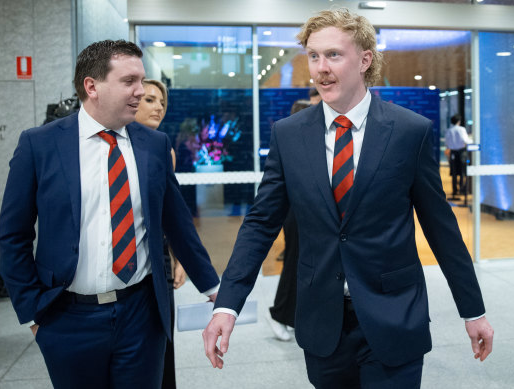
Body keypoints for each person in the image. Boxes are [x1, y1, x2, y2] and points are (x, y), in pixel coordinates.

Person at [203, 9, 493, 388]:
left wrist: (473, 310)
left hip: (395, 315)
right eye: (313, 55)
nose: (321, 68)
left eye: (334, 55)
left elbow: (440, 228)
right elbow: (261, 223)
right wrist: (228, 304)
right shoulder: (289, 135)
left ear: (365, 60)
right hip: (323, 321)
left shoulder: (409, 131)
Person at [0, 40, 219, 389]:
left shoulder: (154, 145)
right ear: (92, 86)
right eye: (129, 80)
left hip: (141, 316)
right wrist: (33, 314)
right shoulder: (39, 145)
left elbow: (177, 223)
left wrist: (214, 289)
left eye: (142, 80)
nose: (141, 90)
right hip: (66, 317)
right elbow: (13, 235)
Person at [135, 78, 185, 389]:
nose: (159, 107)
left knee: (164, 340)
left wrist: (178, 259)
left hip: (159, 257)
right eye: (150, 100)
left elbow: (172, 214)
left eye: (162, 102)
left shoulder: (164, 149)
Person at [266, 99, 311, 342]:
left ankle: (291, 315)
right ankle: (279, 314)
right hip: (297, 212)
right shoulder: (294, 143)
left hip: (303, 212)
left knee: (302, 265)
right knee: (294, 263)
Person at [445, 113, 472, 198]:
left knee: (454, 172)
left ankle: (454, 191)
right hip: (461, 152)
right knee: (462, 172)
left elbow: (447, 143)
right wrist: (473, 141)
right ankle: (461, 189)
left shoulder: (449, 130)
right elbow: (466, 140)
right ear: (459, 121)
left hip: (453, 152)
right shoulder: (461, 129)